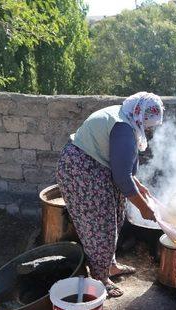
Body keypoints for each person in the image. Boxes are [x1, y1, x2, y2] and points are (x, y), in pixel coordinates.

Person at [56, 92, 163, 298]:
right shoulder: (122, 127)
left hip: (97, 168)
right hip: (82, 171)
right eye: (148, 124)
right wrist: (143, 208)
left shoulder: (126, 116)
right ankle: (99, 279)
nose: (148, 128)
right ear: (140, 115)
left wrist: (138, 185)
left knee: (114, 217)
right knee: (99, 226)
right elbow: (122, 178)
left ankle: (109, 265)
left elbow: (121, 164)